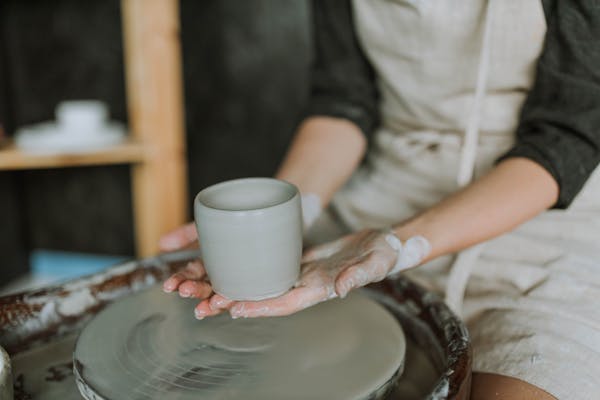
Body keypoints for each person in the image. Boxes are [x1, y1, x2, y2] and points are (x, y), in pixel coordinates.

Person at [160, 1, 600, 398]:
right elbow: (345, 102)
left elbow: (567, 138)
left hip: (538, 211)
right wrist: (278, 221)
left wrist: (396, 245)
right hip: (384, 196)